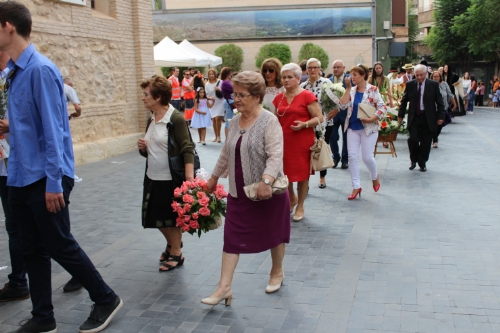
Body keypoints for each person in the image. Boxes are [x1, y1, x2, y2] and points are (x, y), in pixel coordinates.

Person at [0, 2, 123, 332]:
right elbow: (31, 126)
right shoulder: (14, 72)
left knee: (58, 244)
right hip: (20, 174)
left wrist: (54, 181)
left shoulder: (40, 69)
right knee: (32, 249)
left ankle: (105, 297)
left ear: (8, 26)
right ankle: (43, 317)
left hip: (45, 176)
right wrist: (9, 127)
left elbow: (55, 130)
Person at [203, 71, 290, 306]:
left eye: (242, 95)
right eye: (235, 94)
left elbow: (276, 155)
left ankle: (277, 272)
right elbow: (226, 153)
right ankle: (224, 288)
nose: (236, 99)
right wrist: (212, 180)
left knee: (275, 234)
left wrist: (267, 181)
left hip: (265, 190)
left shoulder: (269, 120)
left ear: (256, 96)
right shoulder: (233, 121)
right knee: (231, 237)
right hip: (238, 191)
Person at [137, 76, 194, 272]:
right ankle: (172, 244)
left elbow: (187, 147)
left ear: (158, 97)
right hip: (152, 176)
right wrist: (143, 147)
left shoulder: (175, 118)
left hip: (172, 178)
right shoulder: (151, 118)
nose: (143, 98)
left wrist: (189, 180)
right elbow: (152, 149)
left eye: (146, 94)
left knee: (173, 218)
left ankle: (176, 254)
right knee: (154, 217)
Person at [273, 63, 323, 222]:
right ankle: (292, 198)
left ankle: (300, 205)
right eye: (284, 77)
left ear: (297, 78)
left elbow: (320, 118)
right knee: (284, 174)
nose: (286, 80)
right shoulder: (278, 97)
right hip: (282, 141)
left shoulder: (307, 95)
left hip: (302, 141)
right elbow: (274, 119)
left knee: (302, 176)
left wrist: (305, 124)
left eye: (290, 77)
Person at [0, 50, 29, 304]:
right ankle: (19, 280)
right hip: (4, 163)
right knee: (14, 225)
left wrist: (11, 125)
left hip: (19, 163)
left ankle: (20, 280)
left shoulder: (21, 74)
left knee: (40, 224)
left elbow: (44, 121)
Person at [338, 64, 385, 200]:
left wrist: (372, 118)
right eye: (351, 75)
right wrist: (347, 89)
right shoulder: (351, 90)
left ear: (363, 75)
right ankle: (356, 186)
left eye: (355, 75)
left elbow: (382, 107)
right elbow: (342, 105)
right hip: (352, 127)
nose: (352, 78)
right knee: (352, 157)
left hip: (368, 129)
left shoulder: (373, 90)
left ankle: (374, 176)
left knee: (367, 157)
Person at [398, 64, 445, 172]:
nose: (418, 77)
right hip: (414, 116)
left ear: (426, 74)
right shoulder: (410, 84)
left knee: (426, 141)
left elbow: (440, 102)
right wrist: (400, 115)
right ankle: (413, 160)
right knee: (413, 139)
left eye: (421, 75)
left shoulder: (433, 85)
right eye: (417, 75)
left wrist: (440, 116)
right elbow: (404, 100)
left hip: (428, 116)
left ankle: (422, 162)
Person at [300, 58, 336, 189]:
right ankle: (306, 181)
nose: (312, 70)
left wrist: (336, 110)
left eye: (315, 67)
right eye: (310, 67)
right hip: (309, 123)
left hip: (325, 123)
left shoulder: (327, 83)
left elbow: (336, 100)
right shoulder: (303, 86)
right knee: (307, 152)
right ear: (307, 70)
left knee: (322, 150)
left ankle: (322, 177)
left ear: (320, 69)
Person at [330, 60, 350, 169]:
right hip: (332, 114)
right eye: (334, 67)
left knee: (346, 137)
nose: (336, 69)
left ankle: (345, 159)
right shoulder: (328, 81)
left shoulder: (349, 80)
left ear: (343, 68)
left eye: (338, 67)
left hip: (346, 113)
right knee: (332, 137)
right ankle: (335, 156)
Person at [63, 78, 83, 183]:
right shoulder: (68, 89)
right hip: (63, 121)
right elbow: (77, 107)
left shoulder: (53, 87)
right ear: (70, 83)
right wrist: (77, 114)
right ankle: (69, 174)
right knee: (66, 148)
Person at [431, 71, 457, 148]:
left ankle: (435, 136)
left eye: (437, 76)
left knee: (440, 124)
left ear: (440, 77)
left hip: (443, 108)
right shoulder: (430, 85)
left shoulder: (444, 84)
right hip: (433, 108)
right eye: (434, 77)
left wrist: (454, 104)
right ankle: (435, 140)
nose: (436, 78)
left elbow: (450, 94)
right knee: (434, 125)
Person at [205, 68, 224, 142]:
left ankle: (219, 136)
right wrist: (209, 98)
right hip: (212, 103)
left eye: (212, 74)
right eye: (210, 74)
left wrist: (219, 89)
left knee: (218, 118)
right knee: (214, 120)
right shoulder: (207, 84)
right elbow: (205, 95)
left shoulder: (220, 82)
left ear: (215, 74)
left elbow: (224, 91)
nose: (211, 75)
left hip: (220, 102)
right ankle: (216, 136)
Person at [220, 67, 234, 140]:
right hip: (229, 102)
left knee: (232, 120)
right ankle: (227, 139)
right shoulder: (225, 82)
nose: (231, 74)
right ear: (227, 74)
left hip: (231, 101)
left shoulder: (227, 82)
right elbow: (234, 89)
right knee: (229, 120)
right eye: (230, 73)